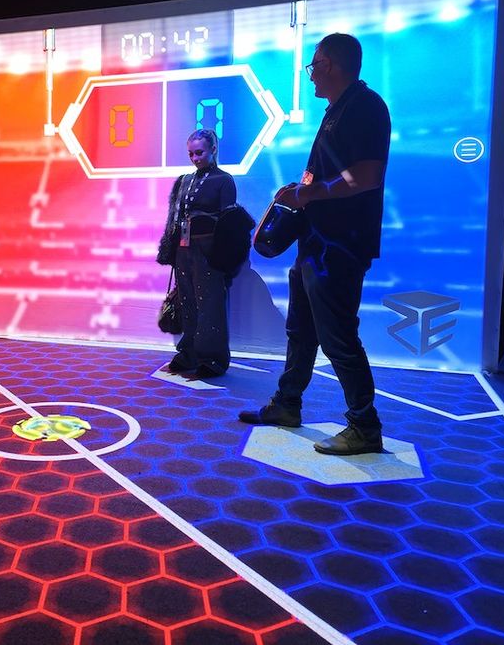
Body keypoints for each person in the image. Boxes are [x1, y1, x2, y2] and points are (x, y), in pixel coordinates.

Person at [239, 33, 391, 456]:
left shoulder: (365, 106)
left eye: (315, 65)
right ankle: (287, 404)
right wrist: (302, 190)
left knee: (338, 336)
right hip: (316, 242)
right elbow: (332, 176)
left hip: (340, 246)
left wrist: (309, 194)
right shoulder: (337, 111)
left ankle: (364, 426)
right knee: (301, 331)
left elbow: (366, 176)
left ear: (334, 65)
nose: (310, 76)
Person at [157, 128, 237, 378]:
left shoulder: (224, 180)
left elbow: (229, 223)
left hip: (208, 251)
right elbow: (175, 218)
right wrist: (171, 250)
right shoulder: (184, 180)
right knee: (187, 301)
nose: (195, 158)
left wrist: (224, 258)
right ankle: (189, 353)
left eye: (199, 153)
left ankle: (213, 359)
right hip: (184, 250)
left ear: (213, 149)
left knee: (210, 304)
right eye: (191, 154)